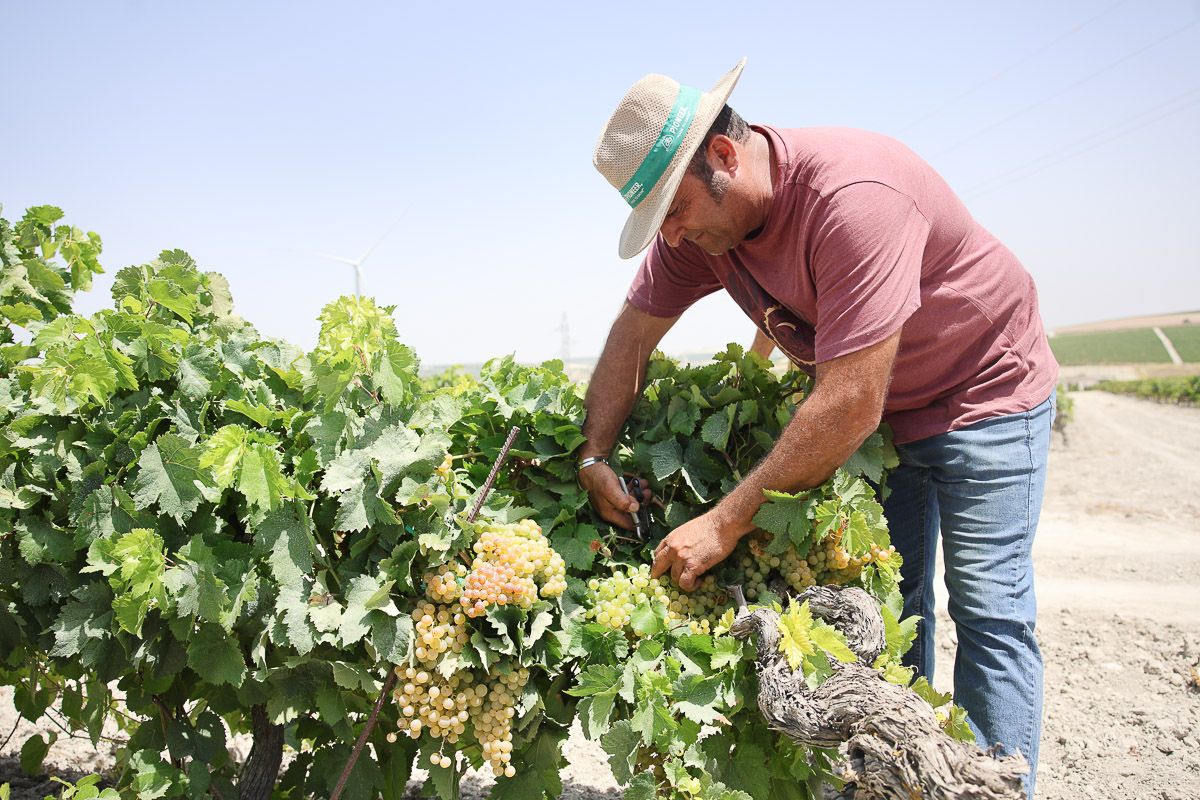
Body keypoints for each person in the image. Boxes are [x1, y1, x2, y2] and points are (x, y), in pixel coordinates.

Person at [576, 58, 1058, 796]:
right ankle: (906, 781)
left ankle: (994, 788)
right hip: (887, 420)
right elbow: (631, 336)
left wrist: (726, 520)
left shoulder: (852, 197)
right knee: (896, 613)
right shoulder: (708, 231)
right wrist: (594, 452)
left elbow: (850, 401)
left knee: (989, 612)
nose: (668, 236)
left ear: (724, 158)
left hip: (984, 391)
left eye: (672, 211)